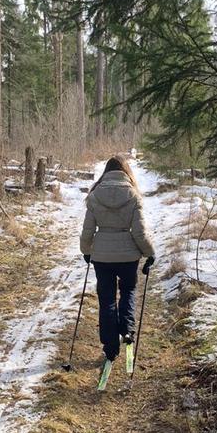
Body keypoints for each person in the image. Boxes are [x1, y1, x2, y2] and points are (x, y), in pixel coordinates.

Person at [80, 155, 156, 367]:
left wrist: (86, 250)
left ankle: (110, 346)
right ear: (126, 172)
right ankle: (128, 330)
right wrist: (150, 253)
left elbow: (87, 230)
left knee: (107, 300)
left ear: (106, 171)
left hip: (102, 256)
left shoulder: (95, 195)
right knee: (129, 291)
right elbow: (139, 233)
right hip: (128, 256)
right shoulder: (133, 195)